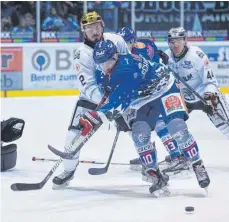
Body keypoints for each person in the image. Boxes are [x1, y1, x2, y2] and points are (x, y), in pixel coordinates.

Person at [90, 40, 209, 194]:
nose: (104, 67)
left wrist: (102, 115)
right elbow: (110, 94)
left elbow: (122, 99)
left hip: (165, 87)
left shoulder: (127, 66)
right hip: (143, 98)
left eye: (107, 62)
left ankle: (197, 163)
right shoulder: (102, 71)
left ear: (115, 56)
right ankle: (155, 173)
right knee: (139, 134)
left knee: (176, 128)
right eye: (100, 64)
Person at [52, 11, 129, 189]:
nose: (94, 31)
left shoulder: (116, 41)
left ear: (102, 26)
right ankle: (68, 170)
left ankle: (149, 166)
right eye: (89, 28)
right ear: (83, 32)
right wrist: (106, 102)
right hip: (91, 101)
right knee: (72, 136)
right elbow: (88, 86)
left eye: (96, 26)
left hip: (119, 96)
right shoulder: (82, 54)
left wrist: (121, 97)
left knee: (136, 126)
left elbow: (128, 64)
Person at [116, 27, 188, 173]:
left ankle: (178, 156)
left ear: (133, 42)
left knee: (160, 123)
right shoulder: (144, 44)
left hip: (154, 91)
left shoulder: (136, 54)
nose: (121, 46)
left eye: (125, 43)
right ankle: (148, 154)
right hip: (145, 93)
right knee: (135, 125)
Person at [165, 27, 229, 150]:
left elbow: (211, 81)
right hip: (185, 100)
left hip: (205, 97)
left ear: (185, 40)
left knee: (225, 125)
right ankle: (182, 154)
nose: (175, 44)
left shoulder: (196, 55)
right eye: (172, 41)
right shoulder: (166, 57)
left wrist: (210, 96)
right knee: (172, 125)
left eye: (178, 40)